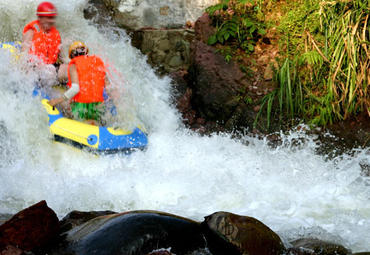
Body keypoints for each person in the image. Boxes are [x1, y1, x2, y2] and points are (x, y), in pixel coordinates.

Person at [49, 41, 109, 125]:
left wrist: (56, 101)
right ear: (86, 52)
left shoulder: (74, 65)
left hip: (81, 108)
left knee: (62, 104)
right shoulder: (97, 61)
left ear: (72, 56)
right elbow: (108, 87)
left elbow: (75, 89)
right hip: (98, 105)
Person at [22, 1, 67, 82]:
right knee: (49, 71)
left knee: (66, 68)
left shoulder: (55, 34)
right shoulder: (31, 32)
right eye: (48, 18)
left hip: (50, 68)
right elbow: (23, 56)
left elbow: (63, 57)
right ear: (40, 18)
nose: (51, 21)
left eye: (52, 18)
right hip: (35, 68)